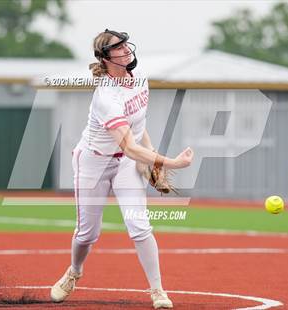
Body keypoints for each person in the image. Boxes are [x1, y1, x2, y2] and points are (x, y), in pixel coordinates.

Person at [50, 29, 194, 309]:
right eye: (119, 47)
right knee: (87, 233)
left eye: (126, 44)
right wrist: (171, 162)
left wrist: (150, 158)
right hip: (93, 160)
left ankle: (157, 291)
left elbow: (138, 129)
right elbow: (128, 145)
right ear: (105, 58)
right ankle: (74, 271)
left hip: (126, 161)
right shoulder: (107, 96)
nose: (127, 49)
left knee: (139, 226)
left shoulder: (140, 79)